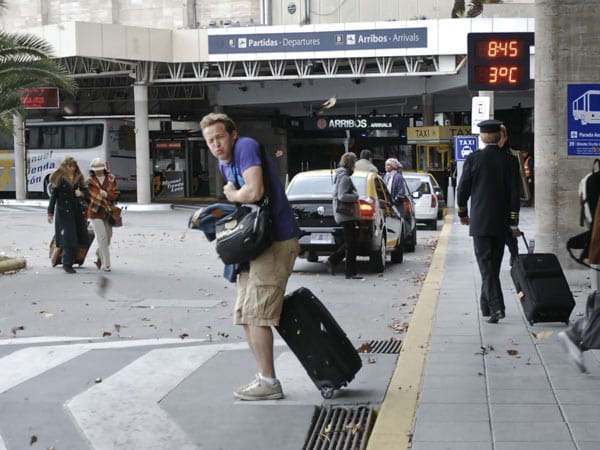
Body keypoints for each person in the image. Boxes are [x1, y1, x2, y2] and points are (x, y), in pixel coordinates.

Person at [200, 112, 300, 401]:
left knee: (257, 315)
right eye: (210, 141)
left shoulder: (245, 147)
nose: (216, 144)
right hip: (258, 246)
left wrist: (232, 195)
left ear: (232, 134)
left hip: (277, 242)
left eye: (219, 137)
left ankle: (270, 382)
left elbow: (254, 192)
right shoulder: (224, 162)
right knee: (246, 314)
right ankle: (263, 377)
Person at [457, 119, 521, 324]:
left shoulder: (474, 159)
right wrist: (513, 222)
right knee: (492, 265)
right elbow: (514, 194)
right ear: (498, 136)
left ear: (483, 137)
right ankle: (486, 306)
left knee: (486, 267)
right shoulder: (510, 161)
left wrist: (462, 212)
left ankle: (497, 308)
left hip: (480, 223)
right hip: (502, 223)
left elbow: (462, 189)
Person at [47, 157, 89, 274]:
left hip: (76, 211)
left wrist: (81, 193)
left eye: (73, 166)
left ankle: (70, 259)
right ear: (65, 166)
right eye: (69, 166)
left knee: (81, 237)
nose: (71, 168)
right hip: (63, 213)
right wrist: (50, 212)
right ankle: (67, 263)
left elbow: (87, 192)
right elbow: (53, 197)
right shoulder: (59, 178)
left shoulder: (78, 177)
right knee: (69, 239)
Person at [327, 152, 363, 280]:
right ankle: (348, 271)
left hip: (345, 215)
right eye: (354, 163)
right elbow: (342, 195)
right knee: (351, 243)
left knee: (351, 242)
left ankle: (339, 264)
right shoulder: (345, 178)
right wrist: (355, 196)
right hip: (346, 214)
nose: (355, 167)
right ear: (351, 164)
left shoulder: (342, 176)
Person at [86, 158, 120, 273]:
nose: (98, 172)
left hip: (108, 212)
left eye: (100, 169)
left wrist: (106, 194)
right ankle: (106, 264)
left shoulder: (111, 179)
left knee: (108, 238)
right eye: (96, 170)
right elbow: (93, 196)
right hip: (95, 212)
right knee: (102, 238)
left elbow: (115, 194)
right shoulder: (89, 181)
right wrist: (105, 196)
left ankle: (98, 253)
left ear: (104, 169)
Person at [499, 125, 520, 266]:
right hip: (493, 216)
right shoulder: (511, 160)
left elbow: (514, 192)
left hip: (504, 212)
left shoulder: (511, 159)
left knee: (511, 241)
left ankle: (515, 258)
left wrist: (513, 223)